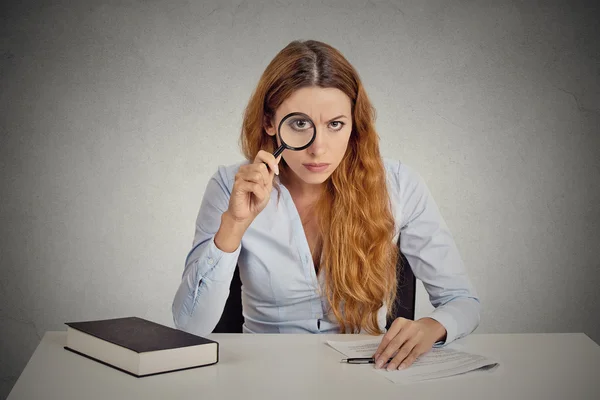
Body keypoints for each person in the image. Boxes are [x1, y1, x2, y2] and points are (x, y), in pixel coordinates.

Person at [172, 40, 481, 371]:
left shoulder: (398, 185)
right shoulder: (231, 186)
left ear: (353, 124)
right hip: (265, 375)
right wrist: (234, 223)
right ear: (269, 123)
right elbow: (190, 325)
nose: (318, 149)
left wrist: (430, 328)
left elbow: (462, 302)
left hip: (367, 376)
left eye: (335, 124)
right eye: (300, 124)